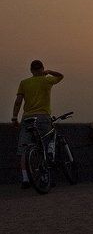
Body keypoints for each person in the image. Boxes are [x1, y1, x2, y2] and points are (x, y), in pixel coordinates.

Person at [11, 60, 64, 189]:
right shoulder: (47, 80)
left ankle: (25, 179)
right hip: (43, 116)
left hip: (27, 117)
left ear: (31, 70)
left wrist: (14, 118)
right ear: (42, 69)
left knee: (24, 149)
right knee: (46, 147)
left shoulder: (24, 83)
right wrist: (49, 72)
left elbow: (18, 101)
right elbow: (60, 76)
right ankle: (46, 176)